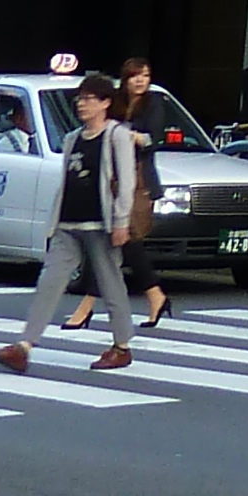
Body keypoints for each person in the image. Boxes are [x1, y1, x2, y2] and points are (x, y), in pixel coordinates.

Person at [0, 74, 137, 374]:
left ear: (105, 103)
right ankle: (24, 346)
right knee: (49, 283)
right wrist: (53, 222)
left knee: (111, 286)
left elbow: (127, 181)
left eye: (89, 99)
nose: (82, 105)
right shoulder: (72, 139)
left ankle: (122, 346)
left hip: (101, 224)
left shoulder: (116, 135)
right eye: (80, 99)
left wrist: (121, 221)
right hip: (68, 224)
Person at [77, 52, 183, 335]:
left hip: (137, 183)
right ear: (125, 79)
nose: (141, 81)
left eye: (146, 76)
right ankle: (155, 297)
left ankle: (87, 307)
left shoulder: (155, 103)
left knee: (121, 242)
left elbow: (151, 140)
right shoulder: (115, 103)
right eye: (136, 76)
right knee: (116, 245)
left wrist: (121, 133)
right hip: (109, 179)